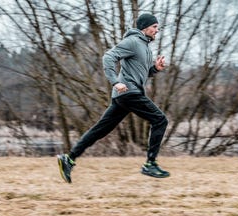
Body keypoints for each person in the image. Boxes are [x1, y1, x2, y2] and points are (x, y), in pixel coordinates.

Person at [57, 13, 170, 183]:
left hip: (125, 95)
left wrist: (155, 68)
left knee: (100, 130)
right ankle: (150, 163)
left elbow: (141, 74)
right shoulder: (132, 41)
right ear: (145, 27)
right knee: (160, 120)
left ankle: (69, 159)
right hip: (128, 93)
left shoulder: (145, 47)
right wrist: (115, 82)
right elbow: (108, 57)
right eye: (154, 26)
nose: (157, 30)